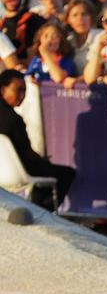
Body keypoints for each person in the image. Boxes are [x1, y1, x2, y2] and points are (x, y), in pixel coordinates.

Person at [0, 68, 75, 205]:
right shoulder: (14, 120)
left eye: (24, 91)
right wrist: (42, 160)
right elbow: (27, 154)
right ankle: (44, 214)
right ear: (3, 90)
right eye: (18, 90)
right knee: (66, 173)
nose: (22, 95)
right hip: (20, 172)